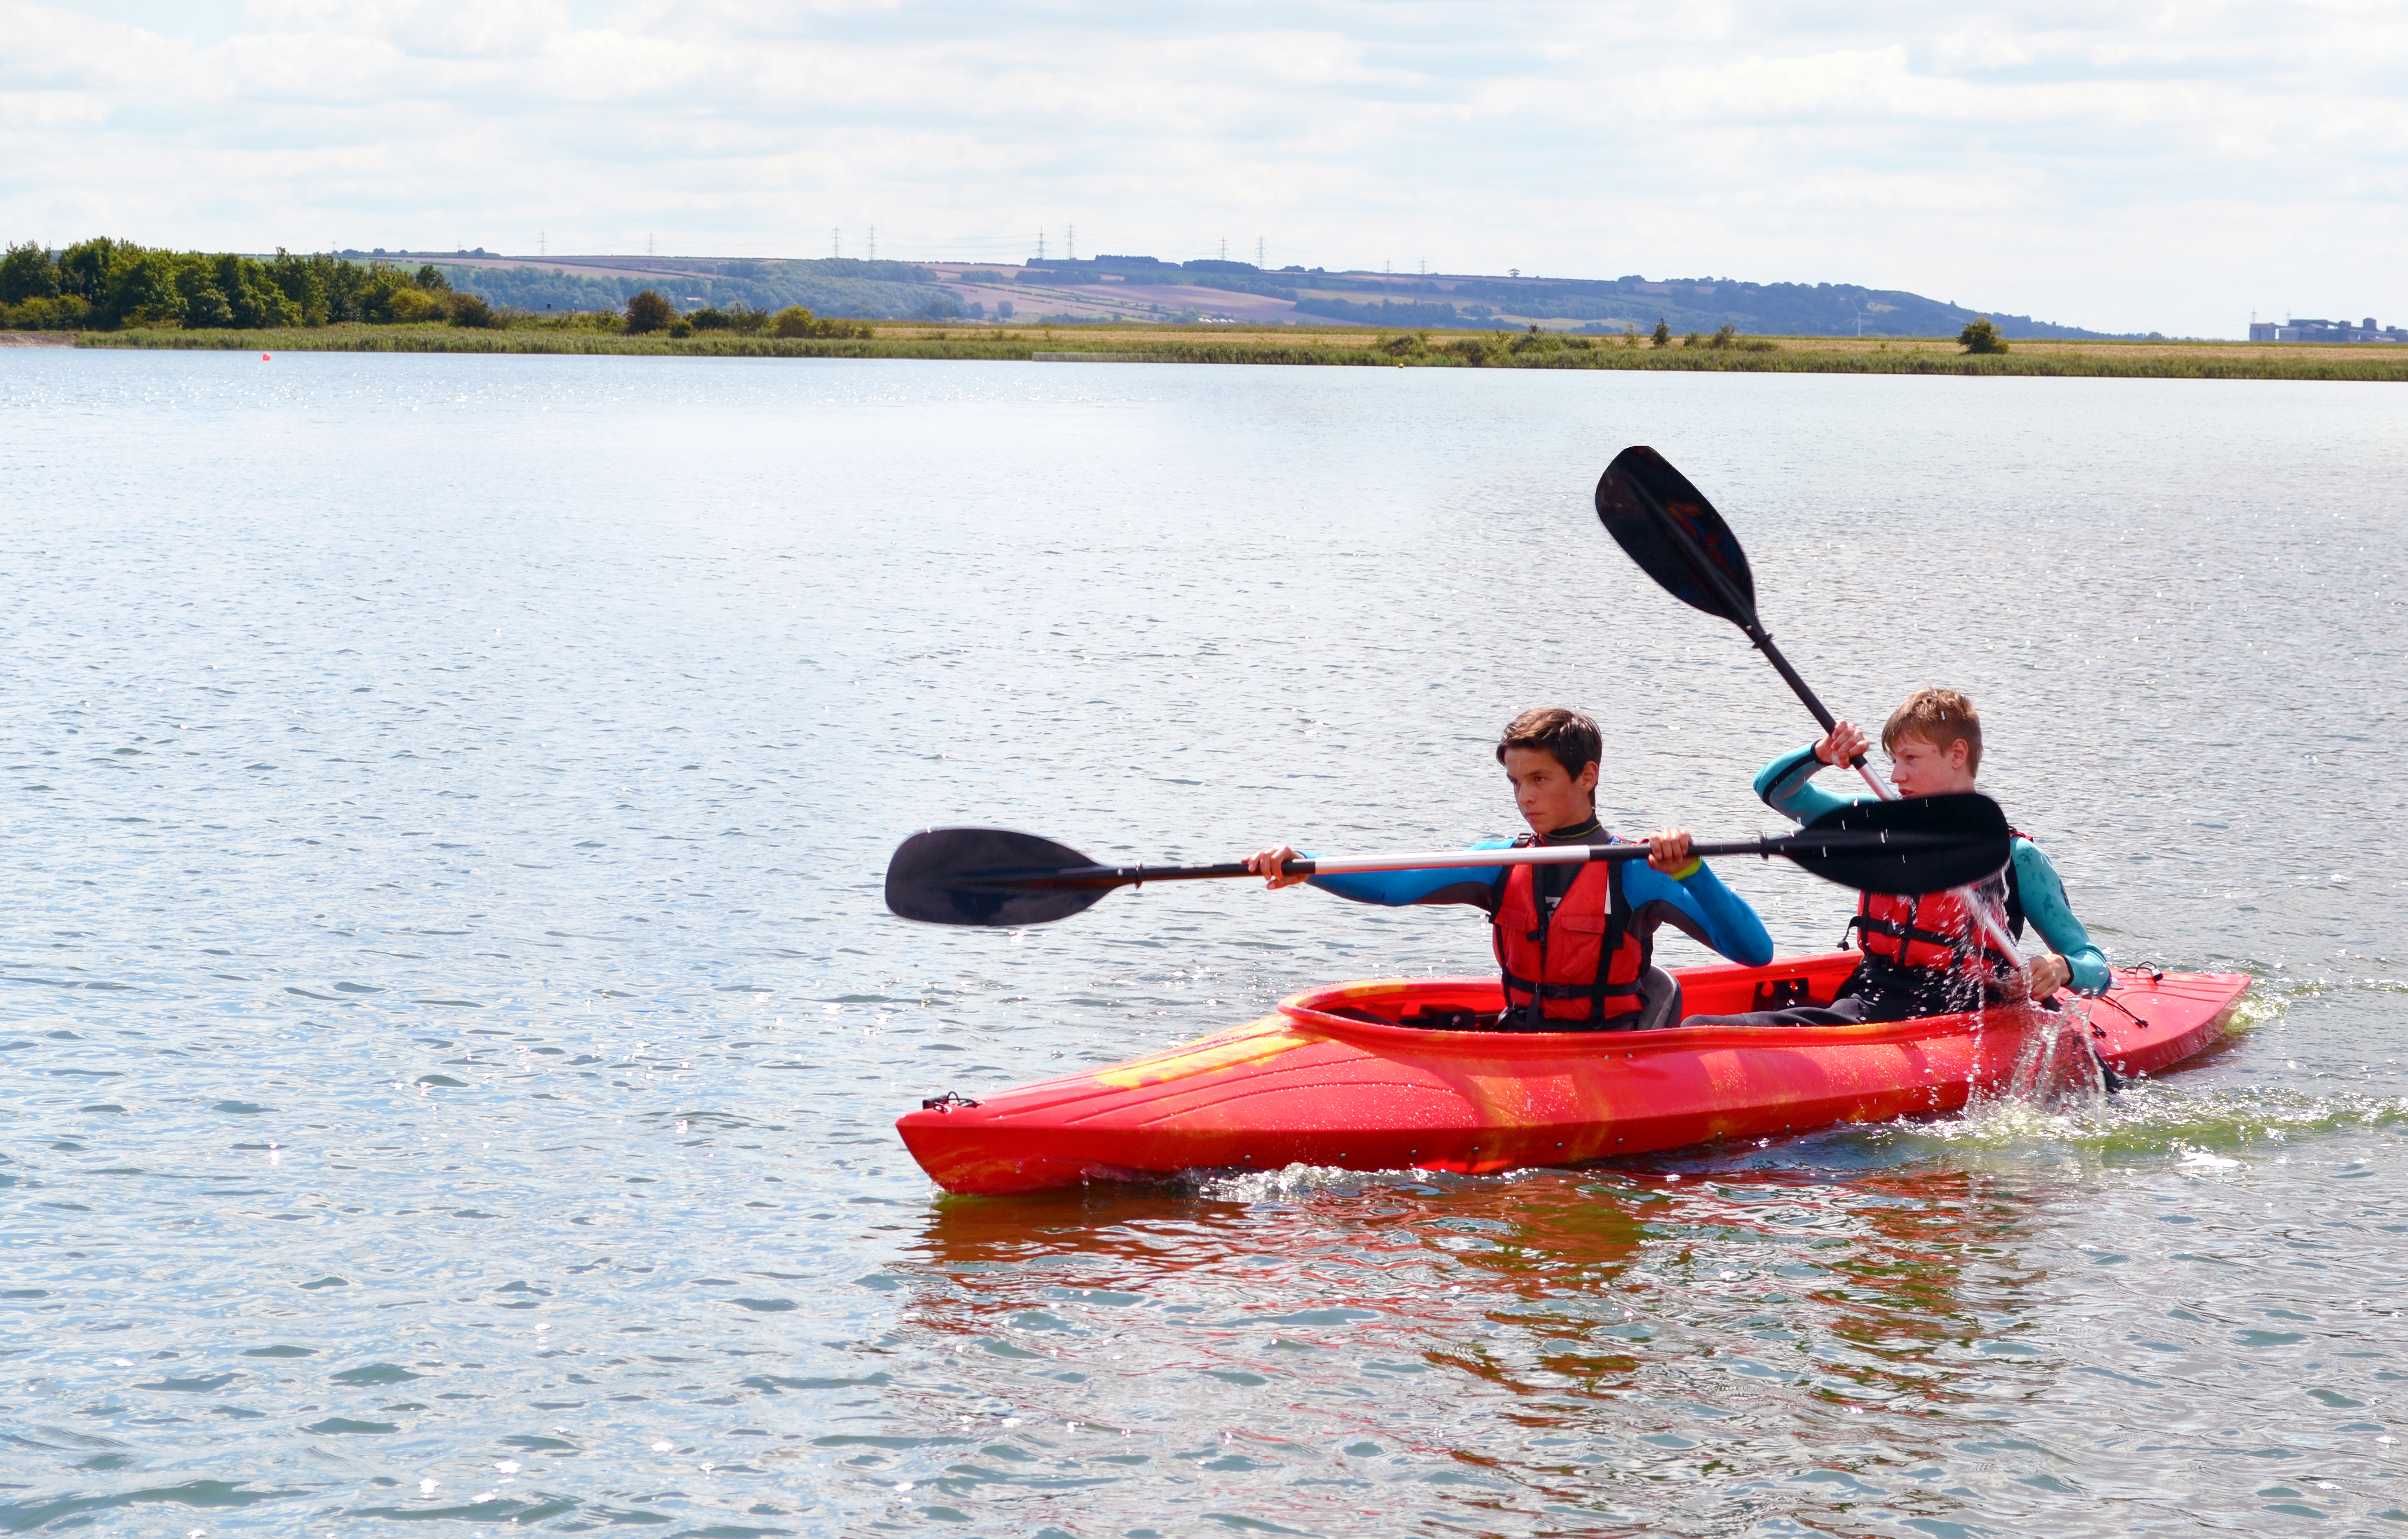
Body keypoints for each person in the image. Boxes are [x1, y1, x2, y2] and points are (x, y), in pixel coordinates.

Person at [1243, 707, 1774, 1031]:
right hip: (1524, 1034)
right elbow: (1392, 888)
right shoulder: (1502, 863)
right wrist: (1307, 867)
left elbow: (1754, 953)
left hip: (1609, 1047)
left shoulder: (1636, 870)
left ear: (1587, 776)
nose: (1525, 797)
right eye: (1515, 782)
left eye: (1540, 779)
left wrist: (1692, 872)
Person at [1686, 687, 2108, 1026]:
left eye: (1910, 759)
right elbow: (1774, 791)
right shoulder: (1878, 824)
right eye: (1892, 760)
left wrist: (2060, 967)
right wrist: (1819, 754)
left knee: (1701, 1028)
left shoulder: (2016, 857)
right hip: (1869, 997)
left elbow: (2094, 965)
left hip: (1953, 1014)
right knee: (1701, 1024)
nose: (1894, 776)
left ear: (1956, 755)